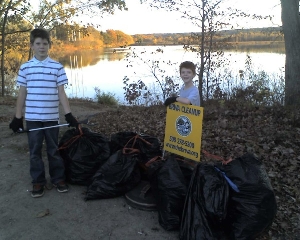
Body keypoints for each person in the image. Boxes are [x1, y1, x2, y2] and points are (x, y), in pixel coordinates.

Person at [9, 28, 78, 198]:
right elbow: (22, 93)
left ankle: (58, 178)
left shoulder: (57, 67)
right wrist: (18, 117)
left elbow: (61, 92)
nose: (42, 47)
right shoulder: (25, 68)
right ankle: (38, 181)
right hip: (33, 118)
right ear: (32, 45)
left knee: (53, 150)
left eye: (45, 44)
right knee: (34, 151)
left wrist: (68, 114)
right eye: (38, 44)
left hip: (51, 118)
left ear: (49, 45)